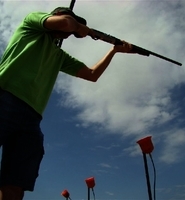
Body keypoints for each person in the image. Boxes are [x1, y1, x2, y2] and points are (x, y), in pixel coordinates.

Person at [0, 7, 136, 200]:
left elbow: (92, 75)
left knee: (15, 184)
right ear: (55, 16)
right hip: (5, 97)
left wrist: (114, 50)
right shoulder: (31, 24)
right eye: (71, 25)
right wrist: (82, 28)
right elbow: (65, 23)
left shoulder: (59, 56)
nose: (70, 32)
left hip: (31, 119)